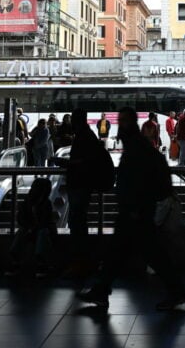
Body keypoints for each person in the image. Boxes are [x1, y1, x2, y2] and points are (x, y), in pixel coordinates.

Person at [79, 106, 185, 311]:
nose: (121, 125)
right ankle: (102, 290)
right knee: (128, 252)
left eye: (124, 121)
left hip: (135, 211)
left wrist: (134, 206)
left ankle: (176, 291)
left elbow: (137, 180)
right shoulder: (138, 145)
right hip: (136, 210)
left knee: (139, 253)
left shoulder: (136, 148)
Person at [56, 108, 113, 278]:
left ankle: (81, 262)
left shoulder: (83, 136)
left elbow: (81, 162)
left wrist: (63, 163)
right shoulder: (88, 135)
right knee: (79, 221)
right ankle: (83, 262)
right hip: (83, 184)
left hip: (81, 184)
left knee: (78, 223)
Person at [7, 177, 55, 278]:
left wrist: (32, 229)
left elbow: (45, 222)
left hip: (41, 230)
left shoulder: (46, 203)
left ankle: (40, 263)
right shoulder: (27, 202)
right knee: (22, 232)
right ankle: (17, 261)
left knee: (41, 232)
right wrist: (30, 228)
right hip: (33, 229)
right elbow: (21, 219)